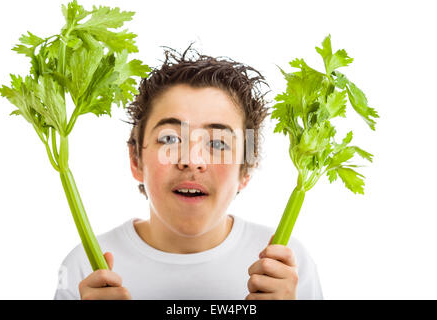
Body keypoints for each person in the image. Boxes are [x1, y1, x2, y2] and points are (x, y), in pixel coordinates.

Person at [53, 44, 323, 300]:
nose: (192, 161)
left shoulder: (289, 268)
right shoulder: (84, 268)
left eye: (218, 143)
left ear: (246, 169)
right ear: (136, 159)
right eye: (169, 139)